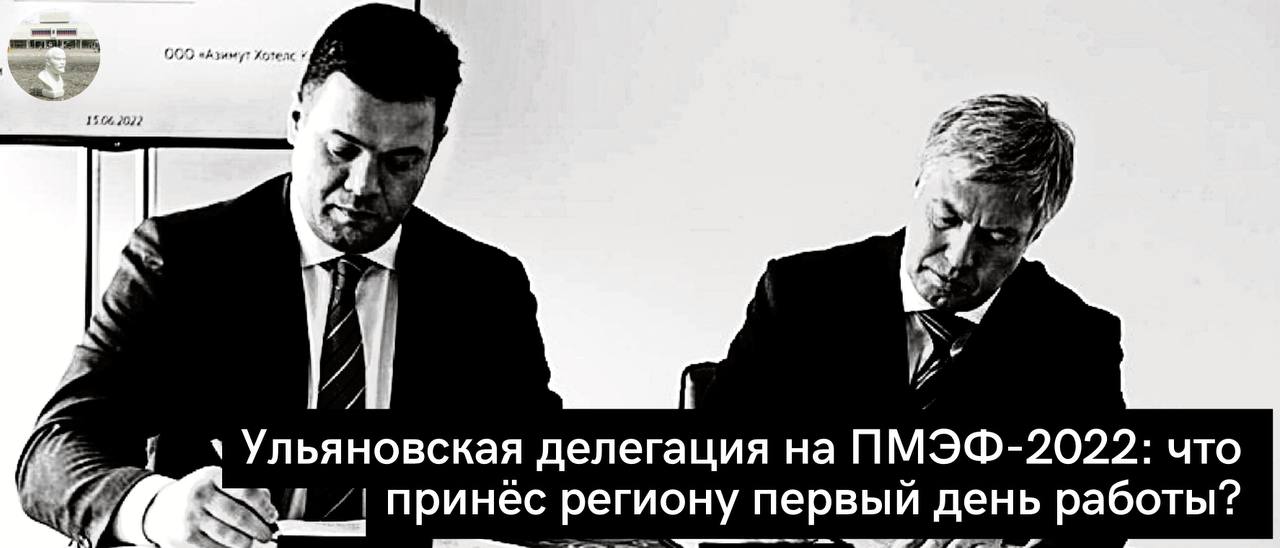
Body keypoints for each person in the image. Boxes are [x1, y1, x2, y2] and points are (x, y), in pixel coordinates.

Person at [16, 4, 560, 548]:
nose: (363, 186)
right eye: (342, 150)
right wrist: (158, 509)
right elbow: (52, 454)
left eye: (400, 163)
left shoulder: (487, 287)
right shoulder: (182, 259)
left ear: (434, 149)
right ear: (296, 122)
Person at [704, 94, 1126, 546]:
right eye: (946, 218)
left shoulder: (1078, 339)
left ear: (1033, 235)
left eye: (997, 237)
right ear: (918, 185)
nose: (959, 258)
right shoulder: (800, 292)